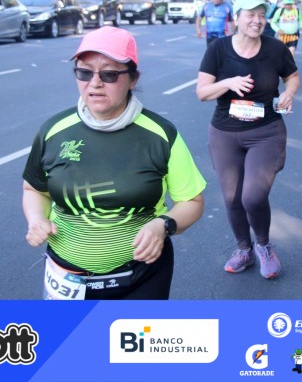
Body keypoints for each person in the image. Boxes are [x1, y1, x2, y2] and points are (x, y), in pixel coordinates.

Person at [22, 26, 206, 300]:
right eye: (84, 72)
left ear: (133, 79)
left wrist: (163, 225)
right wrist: (36, 218)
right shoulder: (54, 130)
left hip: (141, 275)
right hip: (67, 277)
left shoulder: (160, 134)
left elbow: (192, 201)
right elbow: (34, 189)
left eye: (109, 74)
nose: (95, 83)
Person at [196, 0, 300, 279]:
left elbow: (292, 77)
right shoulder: (218, 49)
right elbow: (202, 92)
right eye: (250, 15)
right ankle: (244, 249)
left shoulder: (275, 48)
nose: (257, 21)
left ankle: (263, 246)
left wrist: (289, 93)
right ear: (237, 18)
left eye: (261, 15)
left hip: (265, 133)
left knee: (252, 197)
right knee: (232, 198)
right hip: (225, 134)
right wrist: (228, 83)